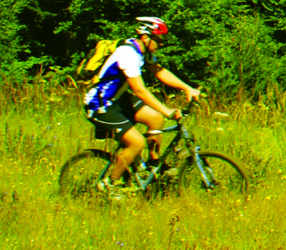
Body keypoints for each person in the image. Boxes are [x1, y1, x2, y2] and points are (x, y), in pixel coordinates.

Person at [82, 16, 202, 192]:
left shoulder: (143, 51)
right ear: (146, 37)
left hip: (117, 99)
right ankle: (110, 184)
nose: (162, 44)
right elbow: (140, 91)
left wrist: (187, 88)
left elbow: (160, 71)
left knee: (155, 118)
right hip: (100, 105)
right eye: (160, 40)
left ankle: (153, 166)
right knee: (137, 143)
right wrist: (168, 111)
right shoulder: (128, 54)